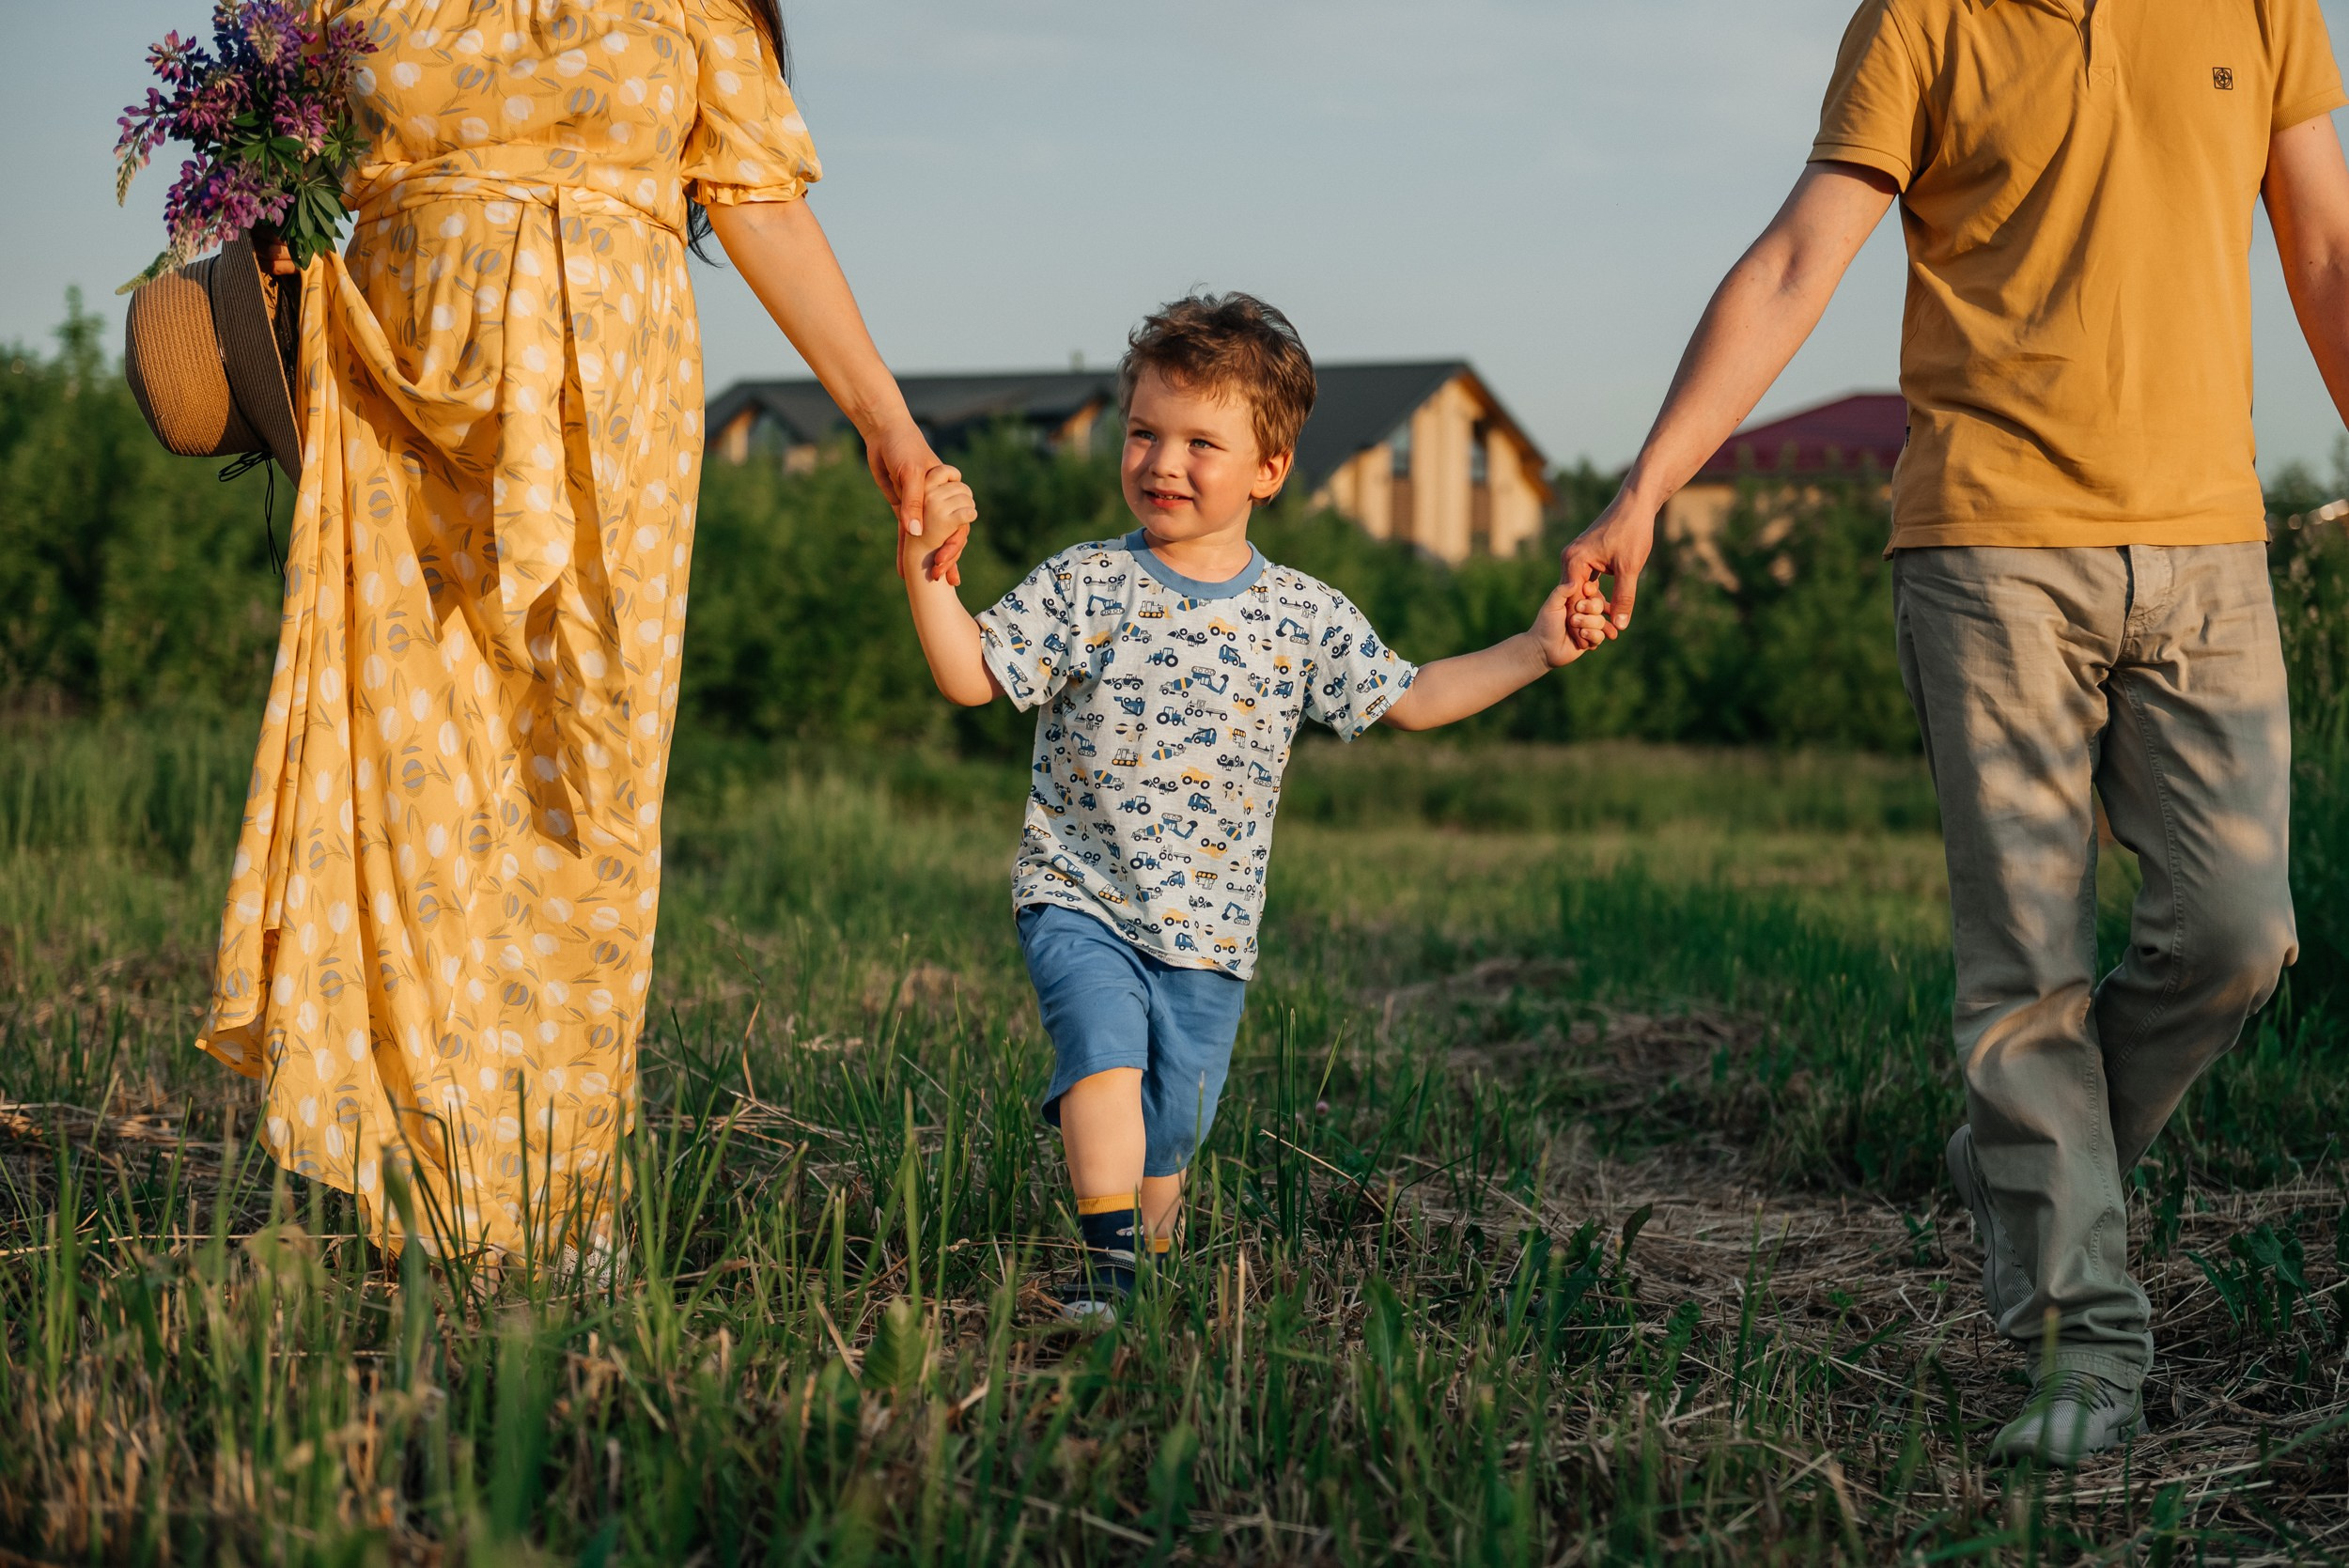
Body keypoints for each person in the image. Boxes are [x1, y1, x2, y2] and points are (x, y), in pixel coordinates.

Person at [1559, 0, 2349, 1464]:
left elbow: (2325, 254)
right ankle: (2082, 1342)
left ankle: (2021, 1158)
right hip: (1986, 548)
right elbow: (1801, 259)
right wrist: (1648, 485)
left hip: (2211, 546)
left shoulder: (2263, 5)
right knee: (2026, 976)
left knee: (2242, 933)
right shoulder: (1924, 16)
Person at [197, 0, 958, 1264]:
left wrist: (888, 425)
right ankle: (434, 1184)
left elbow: (757, 198)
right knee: (410, 776)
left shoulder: (692, 6)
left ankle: (561, 1191)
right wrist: (273, 220)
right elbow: (274, 162)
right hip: (396, 396)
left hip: (617, 404)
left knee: (585, 789)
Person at [897, 293, 1607, 1318]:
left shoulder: (1301, 615)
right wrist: (924, 570)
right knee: (1102, 1060)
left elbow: (1410, 698)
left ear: (1269, 471)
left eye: (1199, 442)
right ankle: (1108, 1276)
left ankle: (1142, 1271)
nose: (1161, 462)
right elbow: (970, 673)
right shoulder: (1087, 583)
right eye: (1142, 432)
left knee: (1171, 1133)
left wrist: (1537, 649)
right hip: (1078, 890)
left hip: (1210, 930)